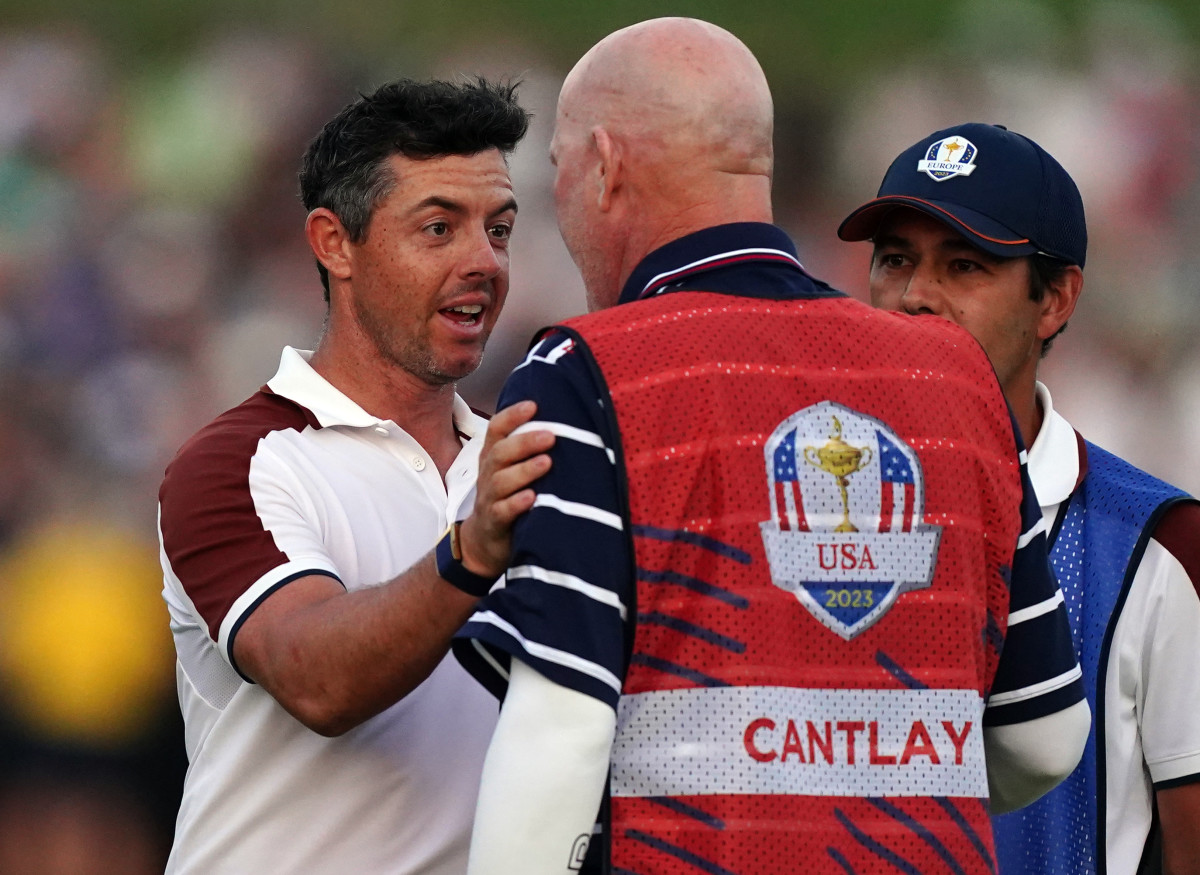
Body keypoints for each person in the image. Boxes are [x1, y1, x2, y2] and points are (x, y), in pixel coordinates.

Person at [452, 20, 1089, 875]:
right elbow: (1046, 738)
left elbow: (559, 730)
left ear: (604, 167)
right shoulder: (961, 381)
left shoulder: (586, 372)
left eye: (559, 172)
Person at [156, 78, 554, 874]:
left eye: (499, 229)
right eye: (439, 227)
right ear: (334, 242)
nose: (483, 261)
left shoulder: (520, 457)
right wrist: (471, 551)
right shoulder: (237, 461)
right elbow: (317, 680)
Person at [838, 121, 1200, 875]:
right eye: (895, 260)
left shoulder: (1158, 544)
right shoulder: (792, 507)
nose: (915, 297)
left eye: (964, 265)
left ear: (1055, 300)